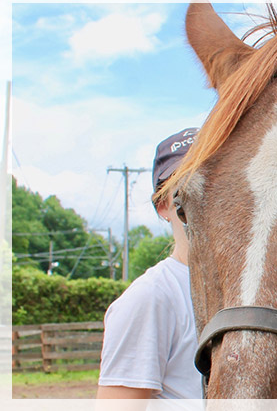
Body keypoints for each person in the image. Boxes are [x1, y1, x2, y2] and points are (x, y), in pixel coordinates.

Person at [97, 128, 201, 402]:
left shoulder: (250, 293)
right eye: (189, 185)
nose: (205, 195)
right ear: (163, 207)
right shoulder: (151, 298)